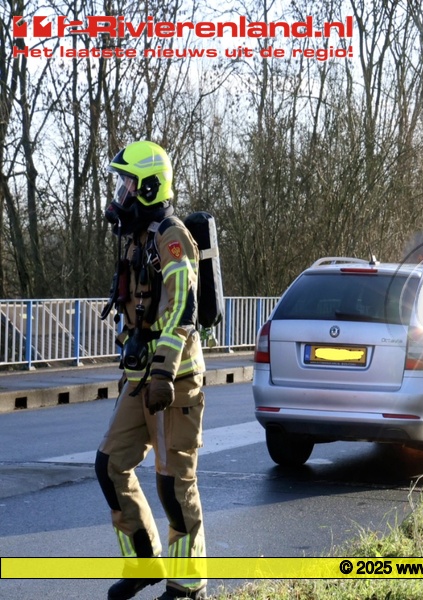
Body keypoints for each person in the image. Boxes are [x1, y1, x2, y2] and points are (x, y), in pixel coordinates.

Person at [95, 140, 208, 600]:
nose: (120, 194)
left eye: (127, 185)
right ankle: (144, 563)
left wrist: (162, 373)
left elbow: (182, 307)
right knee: (110, 465)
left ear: (148, 188)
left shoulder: (171, 237)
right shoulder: (138, 239)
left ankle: (188, 586)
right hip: (142, 378)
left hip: (174, 381)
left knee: (173, 485)